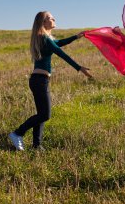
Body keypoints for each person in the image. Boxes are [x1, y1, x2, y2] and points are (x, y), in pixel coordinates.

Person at [9, 11, 92, 151]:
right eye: (50, 17)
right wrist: (79, 68)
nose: (54, 19)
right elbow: (60, 53)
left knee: (41, 114)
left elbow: (58, 43)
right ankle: (17, 133)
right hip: (39, 81)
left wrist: (76, 36)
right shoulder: (44, 38)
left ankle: (37, 145)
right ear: (43, 23)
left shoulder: (44, 38)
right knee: (45, 115)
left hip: (39, 81)